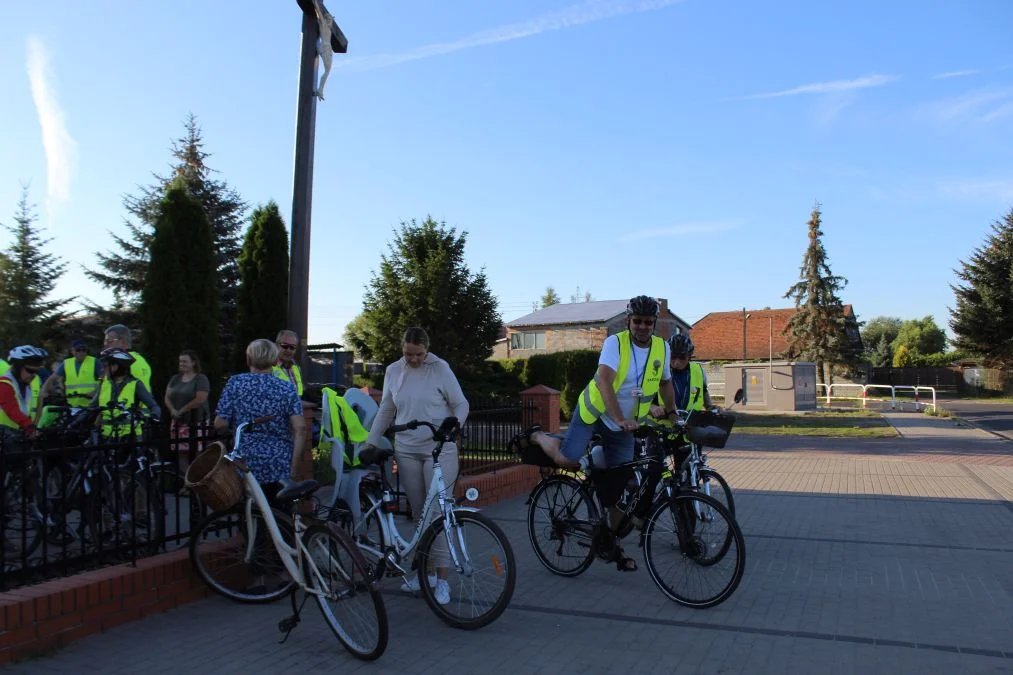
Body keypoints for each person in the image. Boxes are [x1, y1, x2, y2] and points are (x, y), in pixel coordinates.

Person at [519, 295, 676, 571]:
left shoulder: (663, 348)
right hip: (595, 412)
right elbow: (604, 380)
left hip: (624, 424)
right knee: (569, 460)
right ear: (628, 321)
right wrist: (618, 418)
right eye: (637, 321)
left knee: (616, 487)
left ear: (654, 324)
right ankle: (540, 436)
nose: (642, 326)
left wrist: (673, 414)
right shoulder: (615, 343)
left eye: (647, 322)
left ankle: (611, 544)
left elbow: (665, 383)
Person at [361, 327, 469, 605]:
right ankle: (427, 576)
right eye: (409, 354)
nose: (414, 359)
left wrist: (453, 428)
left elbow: (460, 404)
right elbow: (386, 408)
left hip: (438, 449)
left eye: (419, 354)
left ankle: (442, 580)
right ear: (403, 349)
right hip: (406, 449)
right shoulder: (393, 371)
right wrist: (371, 442)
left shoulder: (440, 368)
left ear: (427, 350)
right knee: (421, 515)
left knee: (437, 514)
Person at [214, 339, 305, 502]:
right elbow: (300, 429)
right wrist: (293, 468)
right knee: (279, 518)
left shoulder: (235, 383)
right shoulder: (286, 388)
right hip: (279, 463)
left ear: (248, 359)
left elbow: (220, 423)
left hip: (246, 463)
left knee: (249, 515)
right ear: (275, 360)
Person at [91, 348, 162, 439]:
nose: (102, 370)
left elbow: (153, 406)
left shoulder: (136, 384)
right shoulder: (104, 384)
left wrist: (154, 416)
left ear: (115, 366)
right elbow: (91, 407)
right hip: (106, 437)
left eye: (105, 366)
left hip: (130, 438)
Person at [164, 349, 211, 469]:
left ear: (193, 363)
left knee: (197, 453)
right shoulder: (175, 378)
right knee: (181, 453)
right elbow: (167, 397)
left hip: (195, 422)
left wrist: (182, 410)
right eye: (180, 361)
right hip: (178, 422)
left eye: (185, 361)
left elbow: (200, 398)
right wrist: (173, 410)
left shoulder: (200, 379)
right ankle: (183, 478)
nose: (182, 364)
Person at [0, 345, 48, 442]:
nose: (33, 375)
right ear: (17, 368)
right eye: (30, 371)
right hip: (4, 439)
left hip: (15, 436)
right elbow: (12, 410)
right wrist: (29, 426)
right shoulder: (5, 384)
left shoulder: (25, 385)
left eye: (36, 371)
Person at [40, 339, 102, 407]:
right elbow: (52, 378)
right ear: (72, 351)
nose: (81, 352)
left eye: (84, 349)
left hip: (90, 405)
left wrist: (96, 392)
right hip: (71, 405)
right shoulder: (66, 363)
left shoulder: (95, 362)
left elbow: (104, 381)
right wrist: (44, 391)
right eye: (78, 350)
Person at [665, 334, 712, 412]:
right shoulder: (660, 371)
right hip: (665, 422)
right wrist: (653, 408)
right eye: (673, 357)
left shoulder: (698, 370)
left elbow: (704, 393)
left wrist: (711, 407)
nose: (677, 362)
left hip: (691, 422)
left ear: (689, 357)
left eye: (682, 357)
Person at [103, 324, 152, 391]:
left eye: (109, 341)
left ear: (122, 341)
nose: (105, 344)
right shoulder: (141, 360)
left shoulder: (121, 362)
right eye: (105, 341)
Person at [272, 330, 304, 398]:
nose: (288, 350)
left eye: (292, 347)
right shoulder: (268, 367)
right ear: (276, 345)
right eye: (285, 346)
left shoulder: (297, 369)